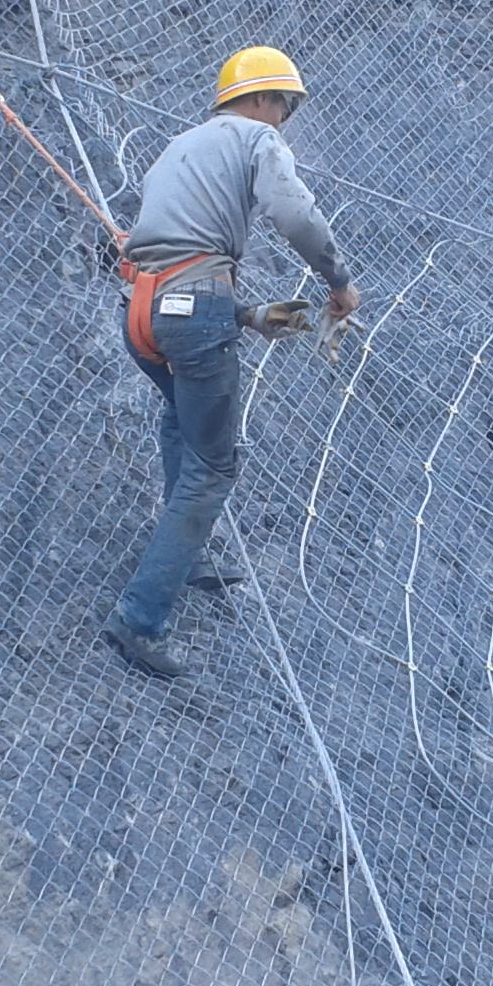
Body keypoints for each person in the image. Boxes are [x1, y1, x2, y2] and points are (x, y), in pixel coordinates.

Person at [101, 45, 360, 679]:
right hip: (191, 308)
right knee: (214, 466)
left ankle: (184, 559)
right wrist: (339, 281)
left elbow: (174, 257)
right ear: (269, 99)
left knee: (178, 422)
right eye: (286, 108)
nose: (285, 121)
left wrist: (244, 315)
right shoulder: (256, 140)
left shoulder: (178, 149)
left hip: (143, 312)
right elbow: (295, 214)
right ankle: (139, 620)